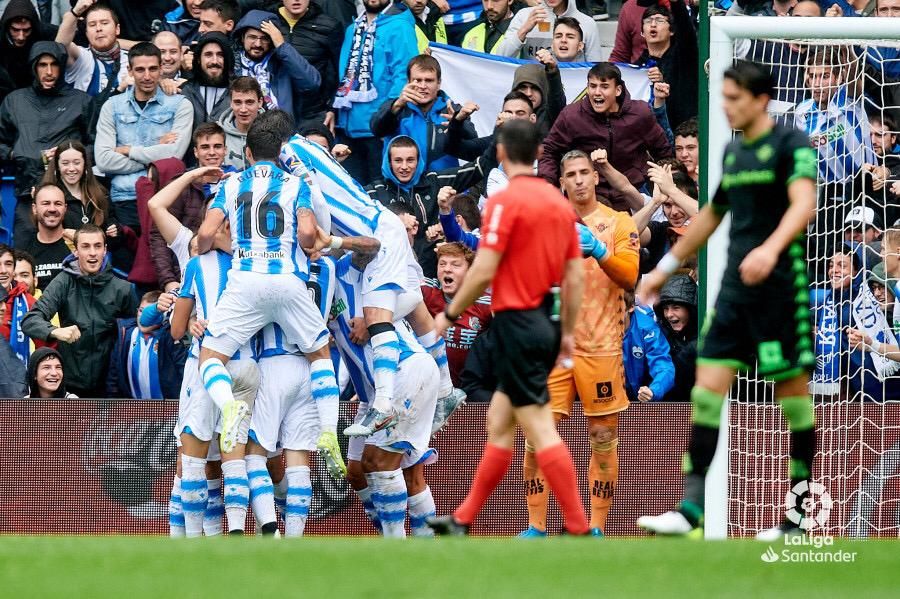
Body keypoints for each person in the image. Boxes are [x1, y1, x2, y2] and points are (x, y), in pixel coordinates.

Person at [636, 61, 819, 541]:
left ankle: (796, 519)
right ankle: (690, 509)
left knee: (794, 406)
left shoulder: (790, 145)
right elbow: (711, 216)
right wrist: (663, 268)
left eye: (734, 97)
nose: (725, 105)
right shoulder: (734, 154)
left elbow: (805, 203)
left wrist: (770, 248)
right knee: (706, 392)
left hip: (780, 290)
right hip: (734, 294)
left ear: (760, 100)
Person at [426, 119, 590, 536]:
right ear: (538, 154)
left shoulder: (502, 201)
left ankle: (578, 527)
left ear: (500, 153)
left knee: (538, 426)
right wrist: (567, 331)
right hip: (545, 321)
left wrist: (449, 313)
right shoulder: (558, 204)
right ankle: (463, 519)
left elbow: (484, 269)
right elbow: (574, 276)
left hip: (516, 322)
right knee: (499, 421)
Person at [273, 110, 465, 439]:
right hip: (381, 225)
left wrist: (324, 238)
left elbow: (313, 195)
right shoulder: (314, 149)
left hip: (375, 233)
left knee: (376, 319)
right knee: (416, 307)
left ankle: (384, 404)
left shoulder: (289, 156)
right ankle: (447, 392)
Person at [193, 116, 349, 480]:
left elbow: (205, 233)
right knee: (319, 353)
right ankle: (327, 429)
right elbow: (309, 234)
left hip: (245, 280)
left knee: (211, 357)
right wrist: (306, 244)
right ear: (280, 154)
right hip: (287, 282)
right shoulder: (295, 184)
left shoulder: (232, 183)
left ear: (247, 153)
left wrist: (203, 246)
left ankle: (230, 406)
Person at [519, 148, 640, 538]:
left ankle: (595, 527)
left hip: (601, 344)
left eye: (585, 172)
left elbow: (630, 277)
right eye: (571, 174)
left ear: (596, 176)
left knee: (603, 435)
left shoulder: (619, 223)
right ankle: (536, 526)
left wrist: (601, 252)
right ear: (562, 182)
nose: (579, 180)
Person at [328, 249, 439, 538]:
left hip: (405, 371)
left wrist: (374, 319)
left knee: (381, 464)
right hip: (373, 392)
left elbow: (414, 295)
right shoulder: (313, 283)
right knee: (357, 471)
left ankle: (400, 548)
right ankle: (404, 539)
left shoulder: (350, 267)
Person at [21, 224, 139, 398]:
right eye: (85, 246)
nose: (92, 252)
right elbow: (30, 320)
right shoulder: (63, 282)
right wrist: (55, 331)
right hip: (70, 386)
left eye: (97, 246)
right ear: (76, 252)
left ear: (105, 250)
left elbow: (137, 331)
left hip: (110, 387)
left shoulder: (123, 289)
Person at [539, 62, 673, 213]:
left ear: (617, 90)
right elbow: (549, 150)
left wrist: (666, 189)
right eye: (592, 86)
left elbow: (664, 153)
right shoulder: (571, 116)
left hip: (634, 196)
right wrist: (548, 182)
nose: (597, 92)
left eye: (604, 86)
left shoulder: (640, 113)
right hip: (589, 197)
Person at [94, 42, 194, 234]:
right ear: (129, 70)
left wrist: (129, 150)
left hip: (166, 197)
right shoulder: (112, 106)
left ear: (161, 69)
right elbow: (104, 160)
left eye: (152, 69)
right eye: (140, 69)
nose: (147, 76)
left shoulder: (180, 105)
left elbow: (174, 154)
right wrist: (156, 152)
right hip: (124, 200)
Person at [0, 41, 93, 243]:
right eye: (42, 65)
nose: (49, 71)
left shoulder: (81, 101)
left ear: (62, 66)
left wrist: (70, 155)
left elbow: (96, 145)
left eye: (54, 64)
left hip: (70, 195)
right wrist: (13, 153)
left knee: (72, 256)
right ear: (34, 67)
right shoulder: (15, 100)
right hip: (27, 192)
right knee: (26, 253)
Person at [365, 134, 497, 276]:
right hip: (388, 272)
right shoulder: (374, 192)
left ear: (418, 161)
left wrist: (501, 132)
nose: (404, 167)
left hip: (431, 276)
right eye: (398, 160)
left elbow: (479, 168)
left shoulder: (435, 182)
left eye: (410, 160)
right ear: (389, 162)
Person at [331, 0, 418, 185]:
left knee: (380, 199)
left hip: (379, 134)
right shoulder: (351, 29)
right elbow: (344, 79)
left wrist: (385, 118)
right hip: (348, 132)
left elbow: (403, 77)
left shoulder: (400, 27)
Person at [370, 54, 478, 173]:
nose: (423, 86)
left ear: (439, 83)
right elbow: (376, 129)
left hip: (443, 185)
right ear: (408, 82)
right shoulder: (395, 108)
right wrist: (397, 105)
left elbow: (473, 146)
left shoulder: (452, 110)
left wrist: (458, 123)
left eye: (429, 80)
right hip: (402, 187)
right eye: (417, 80)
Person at [233, 9, 321, 127]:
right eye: (252, 37)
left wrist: (282, 46)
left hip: (280, 134)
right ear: (242, 38)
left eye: (264, 38)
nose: (258, 44)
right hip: (240, 133)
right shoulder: (232, 64)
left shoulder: (283, 64)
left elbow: (312, 83)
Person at [422, 242, 492, 387]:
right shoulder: (426, 291)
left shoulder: (485, 303)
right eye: (442, 264)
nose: (447, 269)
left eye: (455, 265)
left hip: (471, 391)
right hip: (430, 389)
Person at [271, 0, 343, 125]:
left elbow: (339, 72)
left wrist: (332, 109)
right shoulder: (269, 22)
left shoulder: (329, 26)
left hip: (314, 113)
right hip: (275, 110)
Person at [106, 290, 187, 399]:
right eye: (141, 311)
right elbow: (113, 377)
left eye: (150, 312)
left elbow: (184, 374)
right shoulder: (125, 335)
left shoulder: (170, 338)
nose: (143, 316)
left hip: (168, 411)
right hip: (133, 411)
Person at [634, 3, 698, 130]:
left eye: (659, 20)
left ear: (672, 30)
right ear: (642, 32)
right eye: (648, 21)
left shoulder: (684, 55)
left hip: (685, 134)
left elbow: (685, 28)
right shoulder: (636, 67)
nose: (653, 24)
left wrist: (675, 3)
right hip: (652, 137)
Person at [56, 1, 130, 97]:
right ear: (86, 33)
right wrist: (76, 11)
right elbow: (60, 47)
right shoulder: (81, 58)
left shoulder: (132, 60)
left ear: (117, 29)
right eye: (92, 25)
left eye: (104, 23)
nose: (98, 28)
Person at [494, 0, 602, 61]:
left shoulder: (587, 23)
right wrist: (523, 30)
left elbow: (595, 68)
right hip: (532, 90)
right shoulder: (524, 15)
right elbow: (500, 58)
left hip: (572, 93)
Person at [14, 184, 71, 291]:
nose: (52, 209)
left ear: (65, 209)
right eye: (46, 203)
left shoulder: (78, 246)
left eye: (58, 204)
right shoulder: (24, 250)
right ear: (34, 208)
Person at [622, 289, 675, 403]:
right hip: (607, 400)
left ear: (630, 307)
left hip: (641, 401)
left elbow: (664, 367)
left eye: (616, 309)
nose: (610, 315)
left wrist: (653, 391)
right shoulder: (595, 330)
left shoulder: (647, 328)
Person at [653, 273, 697, 402]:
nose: (669, 314)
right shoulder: (660, 335)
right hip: (669, 408)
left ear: (690, 309)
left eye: (676, 308)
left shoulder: (704, 336)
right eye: (666, 309)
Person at [0, 0, 59, 91]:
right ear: (7, 26)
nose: (21, 37)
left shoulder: (43, 31)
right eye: (15, 30)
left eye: (26, 30)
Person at [180, 32, 234, 130]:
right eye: (208, 55)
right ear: (198, 59)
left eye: (220, 55)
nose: (214, 61)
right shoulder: (185, 91)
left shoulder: (239, 90)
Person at [217, 76, 264, 170]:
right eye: (238, 102)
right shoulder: (217, 133)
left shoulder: (274, 131)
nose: (243, 109)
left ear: (260, 102)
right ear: (231, 103)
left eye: (249, 102)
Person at [674, 117, 699, 183]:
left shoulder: (714, 180)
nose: (684, 154)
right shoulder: (670, 180)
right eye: (679, 148)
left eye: (690, 148)